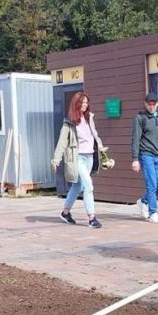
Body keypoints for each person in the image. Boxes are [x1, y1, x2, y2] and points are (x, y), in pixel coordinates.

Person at [51, 91, 114, 229]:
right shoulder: (69, 122)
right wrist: (56, 159)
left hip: (90, 156)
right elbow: (62, 141)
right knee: (88, 185)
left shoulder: (89, 118)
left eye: (86, 102)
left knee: (77, 186)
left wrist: (102, 149)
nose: (85, 105)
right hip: (77, 158)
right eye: (83, 102)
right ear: (76, 103)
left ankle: (65, 212)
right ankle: (92, 217)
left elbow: (94, 135)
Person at [131, 92, 158, 224]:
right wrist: (135, 159)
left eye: (153, 104)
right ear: (145, 104)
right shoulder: (140, 117)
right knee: (152, 184)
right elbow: (136, 138)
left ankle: (143, 201)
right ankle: (153, 212)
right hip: (146, 155)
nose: (151, 107)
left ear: (157, 104)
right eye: (149, 104)